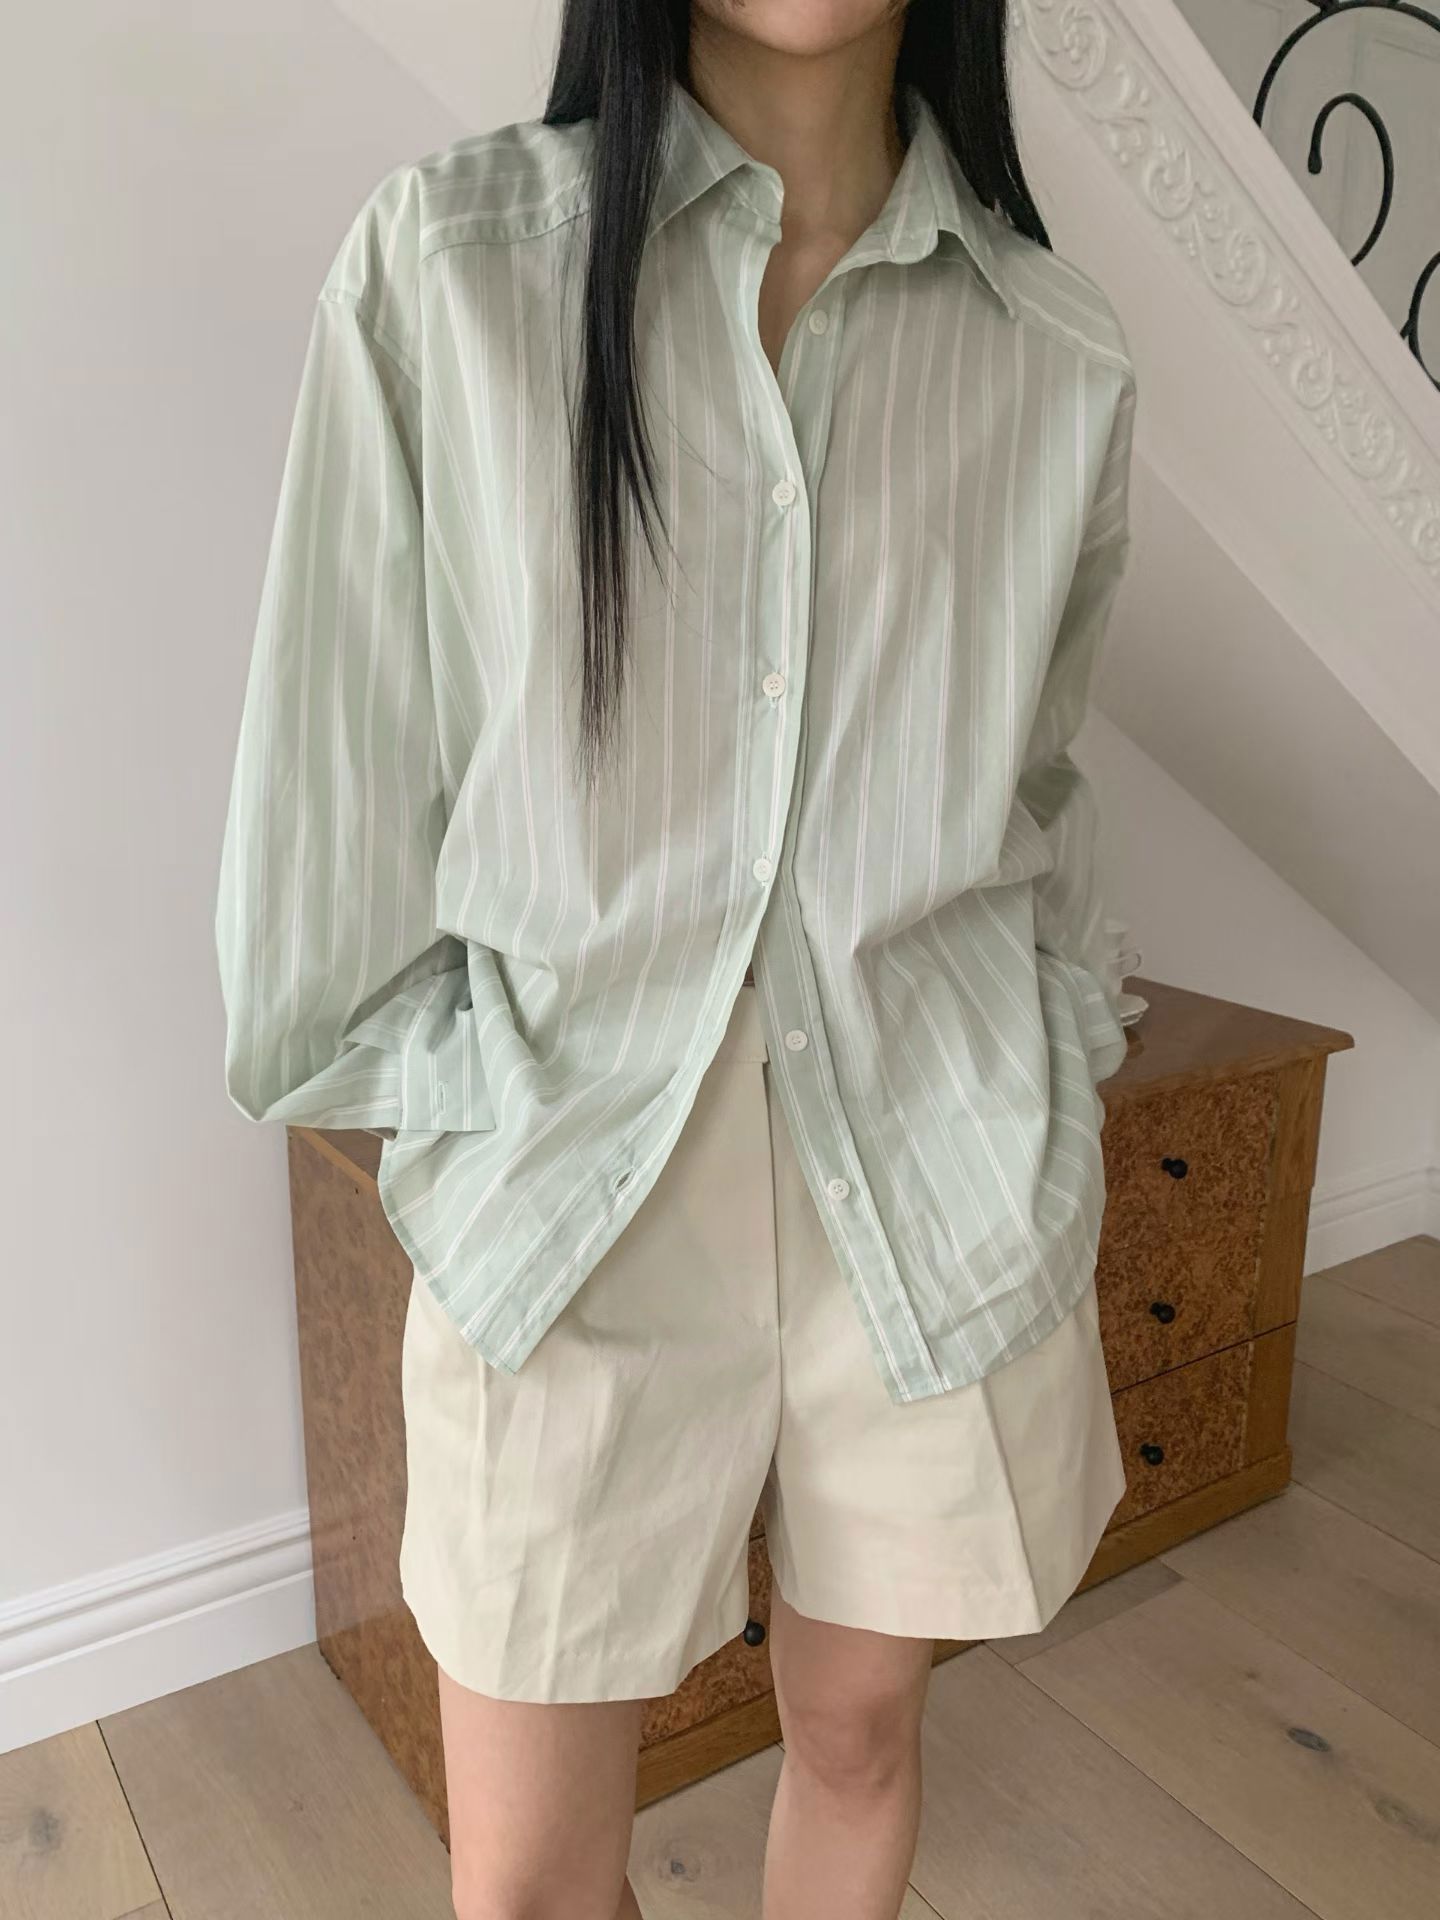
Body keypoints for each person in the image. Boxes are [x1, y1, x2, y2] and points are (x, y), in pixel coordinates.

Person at [214, 2, 1140, 1914]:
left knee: (861, 1736)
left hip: (936, 1172)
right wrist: (480, 1123)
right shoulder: (454, 272)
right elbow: (333, 797)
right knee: (530, 1880)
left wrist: (1048, 1050)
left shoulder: (1053, 347)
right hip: (575, 1192)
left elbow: (1037, 789)